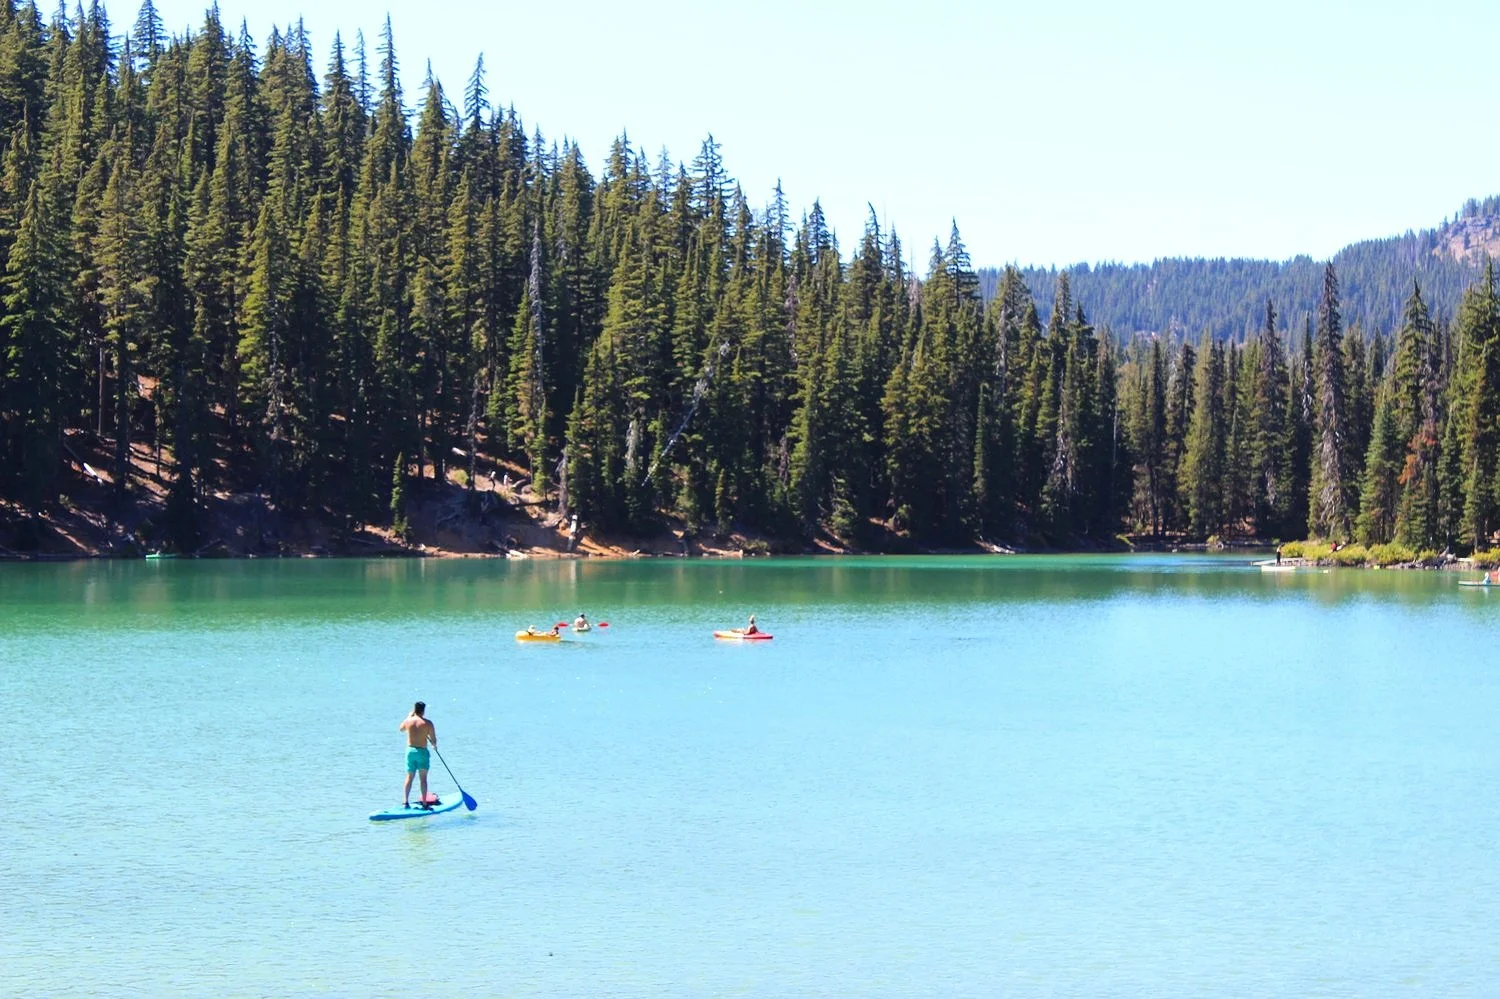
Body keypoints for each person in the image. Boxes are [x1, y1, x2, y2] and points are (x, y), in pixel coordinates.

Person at [399, 701, 437, 809]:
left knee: (409, 777)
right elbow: (433, 740)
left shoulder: (408, 721)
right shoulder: (428, 723)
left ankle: (405, 802)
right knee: (423, 779)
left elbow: (401, 729)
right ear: (423, 711)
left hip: (410, 752)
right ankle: (424, 803)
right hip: (422, 752)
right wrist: (434, 745)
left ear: (414, 710)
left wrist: (408, 717)